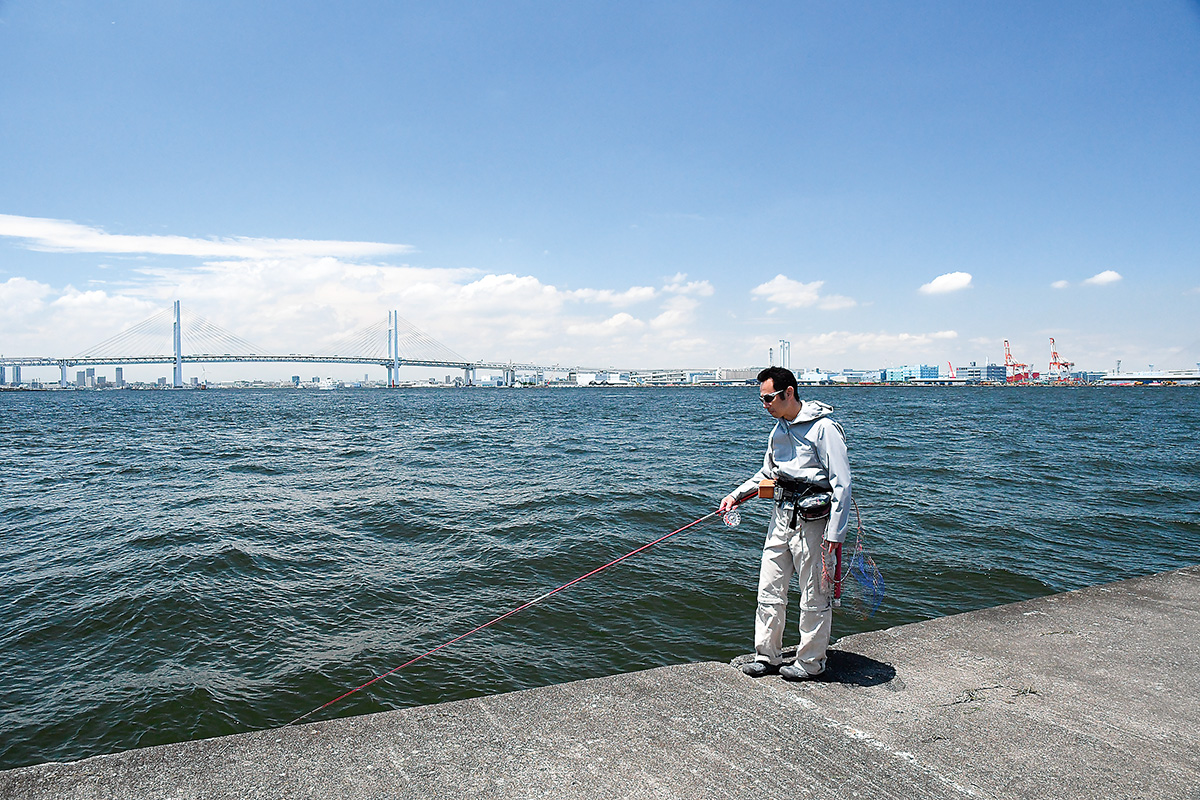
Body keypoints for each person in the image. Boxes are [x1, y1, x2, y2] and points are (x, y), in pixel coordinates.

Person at [719, 366, 852, 680]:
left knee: (814, 595)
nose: (765, 405)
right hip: (781, 516)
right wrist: (735, 496)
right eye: (762, 399)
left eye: (769, 398)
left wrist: (836, 532)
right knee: (769, 588)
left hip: (813, 521)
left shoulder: (824, 429)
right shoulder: (777, 430)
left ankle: (810, 662)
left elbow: (842, 483)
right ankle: (767, 656)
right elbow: (767, 474)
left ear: (788, 392)